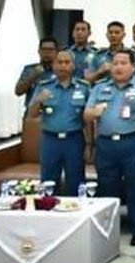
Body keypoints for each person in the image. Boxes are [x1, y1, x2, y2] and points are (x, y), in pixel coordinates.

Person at [84, 49, 135, 246]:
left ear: (133, 67)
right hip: (106, 145)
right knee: (107, 187)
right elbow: (86, 115)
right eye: (115, 63)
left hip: (133, 143)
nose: (118, 67)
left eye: (123, 63)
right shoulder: (99, 88)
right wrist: (94, 112)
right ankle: (107, 228)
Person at [26, 49, 89, 196]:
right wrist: (38, 100)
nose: (63, 66)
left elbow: (88, 120)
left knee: (76, 181)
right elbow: (31, 116)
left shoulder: (84, 87)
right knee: (48, 182)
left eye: (67, 62)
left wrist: (90, 144)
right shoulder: (43, 86)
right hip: (50, 140)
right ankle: (48, 214)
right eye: (59, 62)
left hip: (74, 139)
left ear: (73, 66)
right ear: (53, 65)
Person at [15, 37, 58, 104]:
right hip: (32, 110)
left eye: (50, 50)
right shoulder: (30, 69)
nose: (47, 53)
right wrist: (32, 76)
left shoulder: (61, 70)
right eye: (44, 49)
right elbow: (18, 92)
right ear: (39, 51)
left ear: (56, 52)